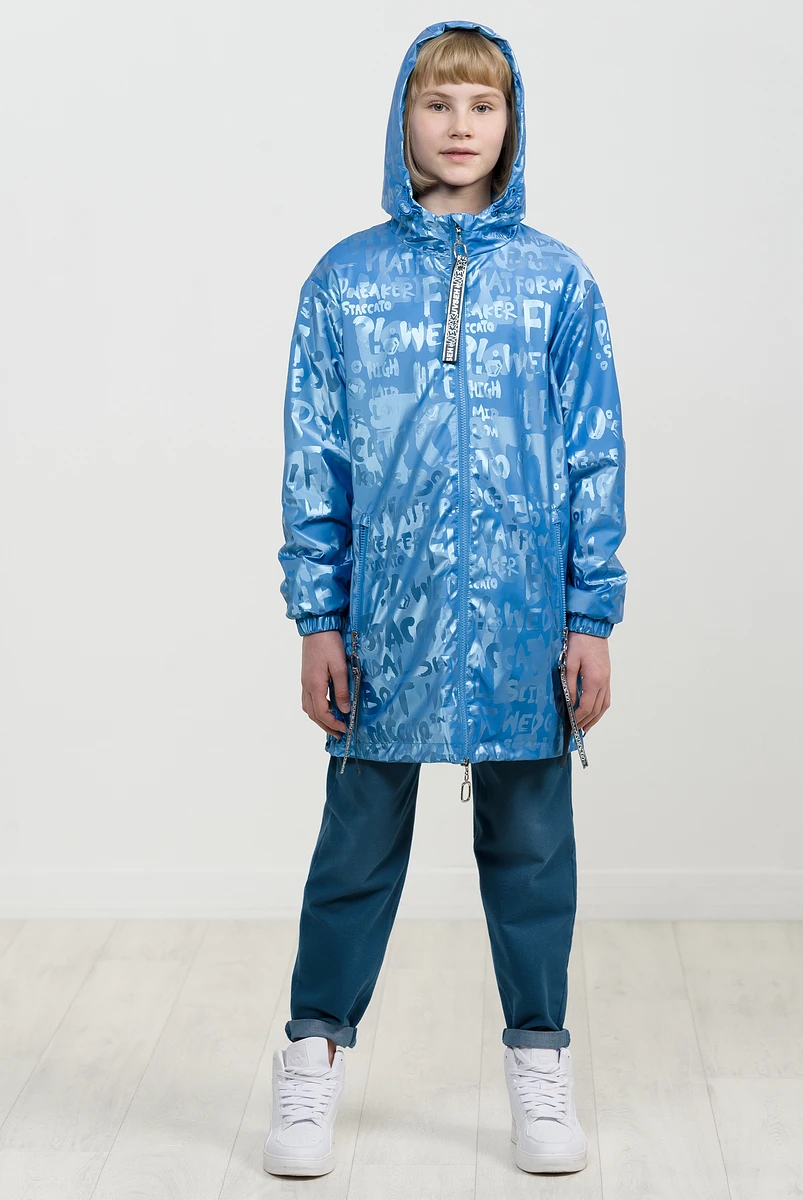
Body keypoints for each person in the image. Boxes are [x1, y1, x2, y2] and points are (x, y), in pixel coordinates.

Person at [265, 18, 627, 1179]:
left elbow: (594, 456)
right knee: (356, 847)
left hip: (525, 622)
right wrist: (318, 618)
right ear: (402, 119)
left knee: (532, 849)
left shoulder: (560, 283)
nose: (461, 126)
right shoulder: (344, 282)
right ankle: (312, 1054)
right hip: (386, 621)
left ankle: (540, 1061)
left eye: (483, 105)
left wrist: (591, 616)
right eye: (438, 104)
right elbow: (315, 460)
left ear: (512, 123)